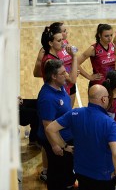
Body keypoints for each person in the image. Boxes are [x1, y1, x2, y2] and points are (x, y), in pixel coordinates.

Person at [45, 84, 116, 190]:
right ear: (104, 99)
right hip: (103, 176)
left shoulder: (75, 113)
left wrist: (65, 146)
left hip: (80, 172)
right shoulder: (109, 123)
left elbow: (50, 129)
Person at [37, 60, 76, 190]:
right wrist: (57, 145)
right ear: (53, 76)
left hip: (66, 136)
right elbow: (48, 126)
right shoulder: (47, 98)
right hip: (58, 142)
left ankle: (69, 184)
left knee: (66, 169)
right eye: (63, 73)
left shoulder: (60, 86)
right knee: (57, 173)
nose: (66, 75)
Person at [34, 22, 78, 107]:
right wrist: (74, 57)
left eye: (62, 40)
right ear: (50, 43)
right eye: (59, 41)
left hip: (60, 95)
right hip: (56, 100)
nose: (63, 43)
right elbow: (72, 80)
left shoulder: (53, 56)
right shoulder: (51, 61)